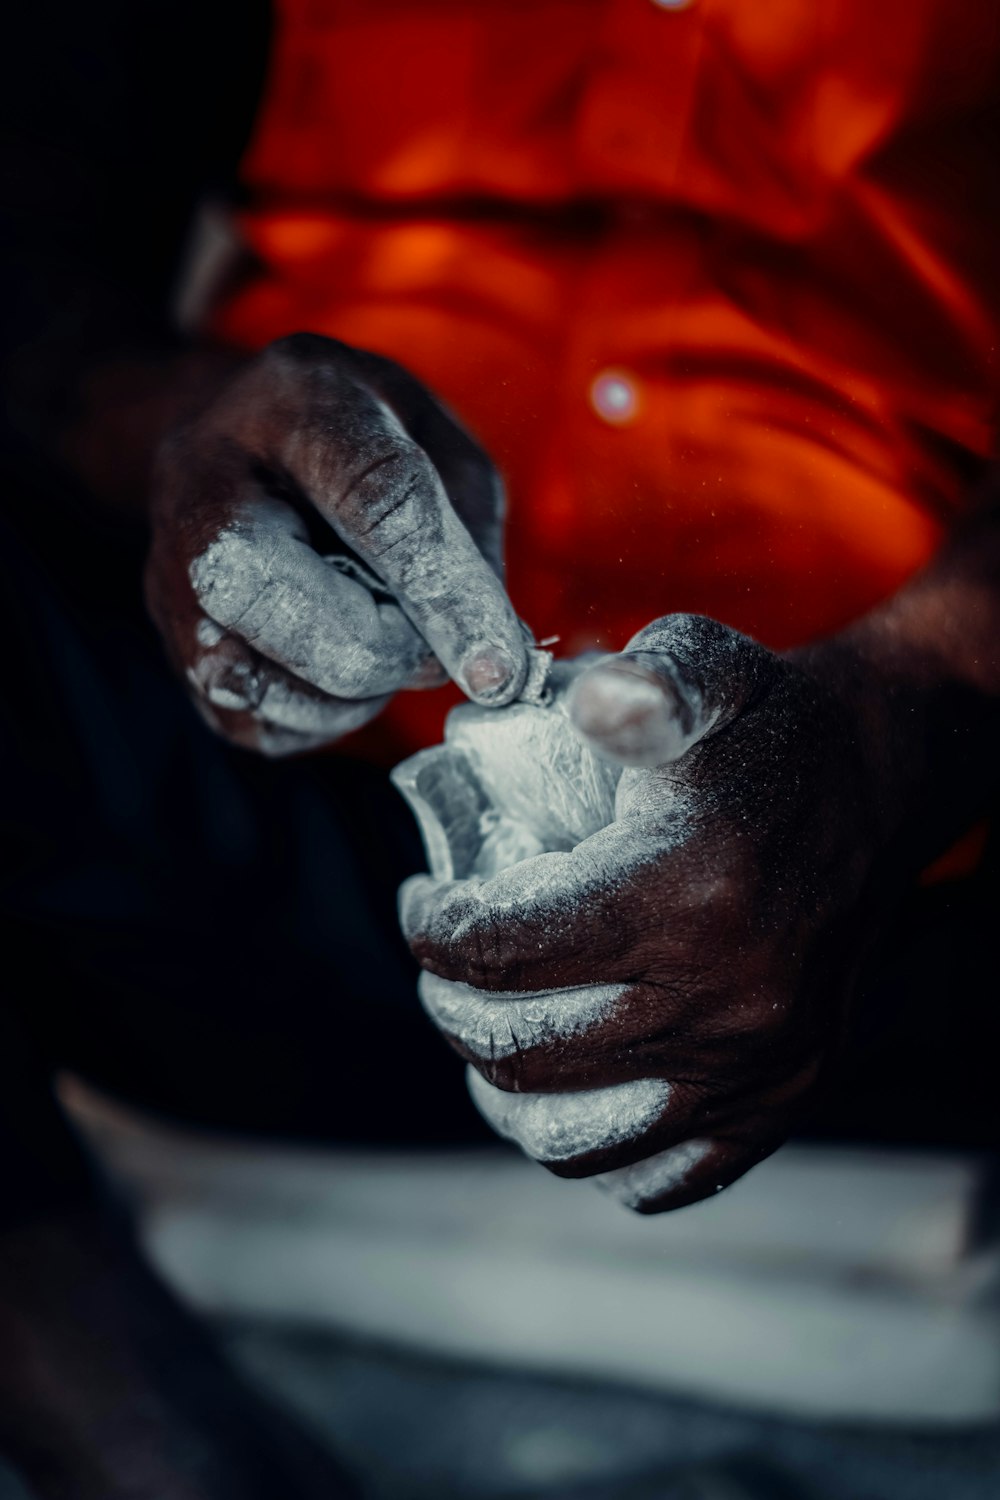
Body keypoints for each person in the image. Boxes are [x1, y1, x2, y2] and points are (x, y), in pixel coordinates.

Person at [2, 1, 998, 1495]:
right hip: (252, 867)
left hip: (887, 902)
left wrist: (914, 712)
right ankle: (117, 1405)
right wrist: (178, 431)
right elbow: (26, 269)